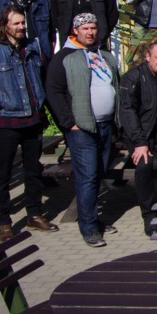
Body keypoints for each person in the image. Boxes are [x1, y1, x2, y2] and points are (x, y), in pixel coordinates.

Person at [0, 6, 57, 242]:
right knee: (2, 173)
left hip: (33, 120)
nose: (22, 27)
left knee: (33, 170)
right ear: (4, 26)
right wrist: (2, 101)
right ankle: (4, 222)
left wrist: (40, 104)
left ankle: (34, 214)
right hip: (7, 121)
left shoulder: (32, 47)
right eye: (16, 23)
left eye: (23, 23)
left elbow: (42, 78)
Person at [45, 13, 120, 248]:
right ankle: (88, 228)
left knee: (98, 175)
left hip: (105, 125)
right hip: (82, 128)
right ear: (75, 30)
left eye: (93, 28)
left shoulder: (104, 55)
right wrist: (69, 123)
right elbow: (53, 92)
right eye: (85, 28)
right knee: (87, 177)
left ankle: (93, 219)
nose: (90, 32)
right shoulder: (64, 57)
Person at [118, 41, 157, 236]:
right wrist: (140, 143)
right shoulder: (133, 78)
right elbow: (128, 112)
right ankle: (149, 213)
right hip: (142, 133)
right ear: (147, 57)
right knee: (144, 166)